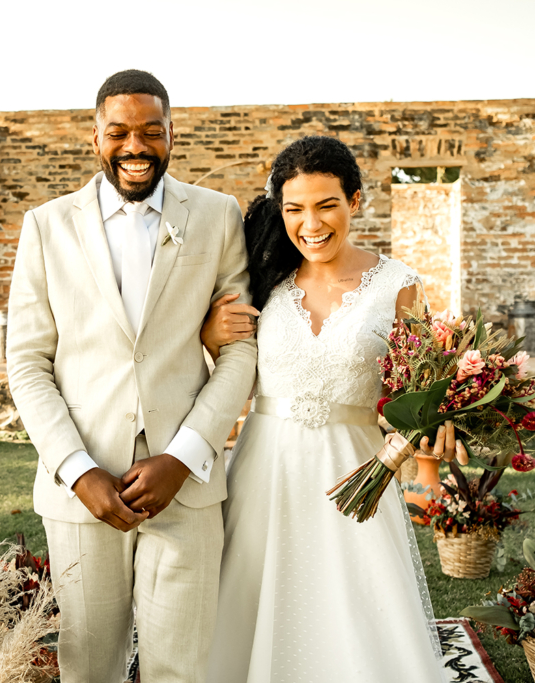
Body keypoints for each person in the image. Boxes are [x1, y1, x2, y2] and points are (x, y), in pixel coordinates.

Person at [6, 70, 258, 683]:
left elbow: (240, 351)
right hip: (83, 493)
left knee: (182, 667)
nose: (135, 145)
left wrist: (186, 455)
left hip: (186, 486)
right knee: (88, 668)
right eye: (119, 131)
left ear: (173, 134)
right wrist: (76, 469)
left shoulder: (219, 216)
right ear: (96, 138)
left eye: (151, 130)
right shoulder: (46, 226)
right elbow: (27, 362)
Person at [202, 135, 463, 682]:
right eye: (295, 208)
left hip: (356, 472)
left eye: (327, 205)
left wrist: (428, 473)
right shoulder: (260, 280)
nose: (311, 224)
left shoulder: (398, 285)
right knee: (254, 607)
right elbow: (229, 376)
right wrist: (209, 336)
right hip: (264, 472)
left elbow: (422, 390)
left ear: (356, 202)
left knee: (356, 613)